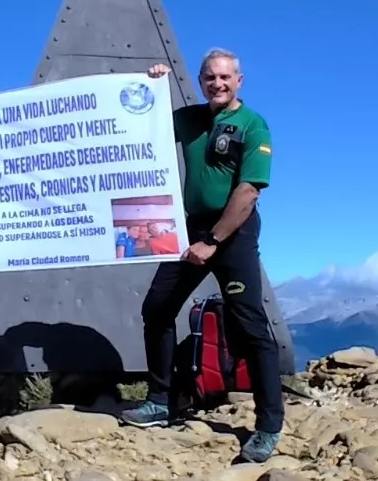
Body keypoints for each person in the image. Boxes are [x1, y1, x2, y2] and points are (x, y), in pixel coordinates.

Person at [118, 48, 284, 464]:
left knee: (249, 325)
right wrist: (153, 83)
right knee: (157, 308)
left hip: (233, 232)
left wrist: (213, 240)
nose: (218, 84)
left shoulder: (253, 125)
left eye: (225, 77)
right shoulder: (191, 119)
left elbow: (249, 191)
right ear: (201, 80)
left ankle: (267, 426)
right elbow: (142, 125)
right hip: (188, 229)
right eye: (210, 77)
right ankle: (160, 401)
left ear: (239, 81)